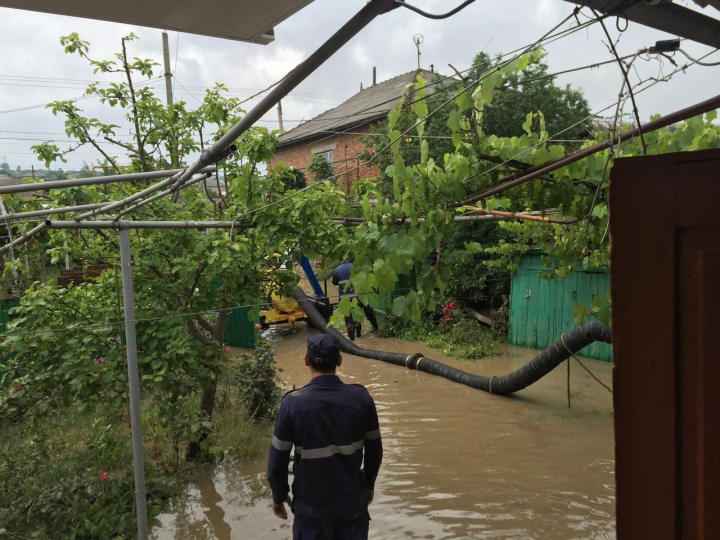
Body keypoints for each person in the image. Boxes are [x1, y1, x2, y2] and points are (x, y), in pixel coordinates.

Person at [268, 334, 383, 540]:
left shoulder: (292, 404)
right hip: (352, 507)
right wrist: (369, 485)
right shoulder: (361, 399)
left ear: (306, 360)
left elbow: (278, 461)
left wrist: (278, 495)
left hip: (310, 511)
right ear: (339, 360)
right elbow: (375, 450)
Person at [332, 258, 379, 341]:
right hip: (358, 297)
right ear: (349, 259)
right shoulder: (356, 267)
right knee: (357, 313)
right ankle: (358, 333)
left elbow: (334, 282)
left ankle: (351, 335)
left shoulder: (337, 270)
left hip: (344, 299)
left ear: (342, 260)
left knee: (348, 315)